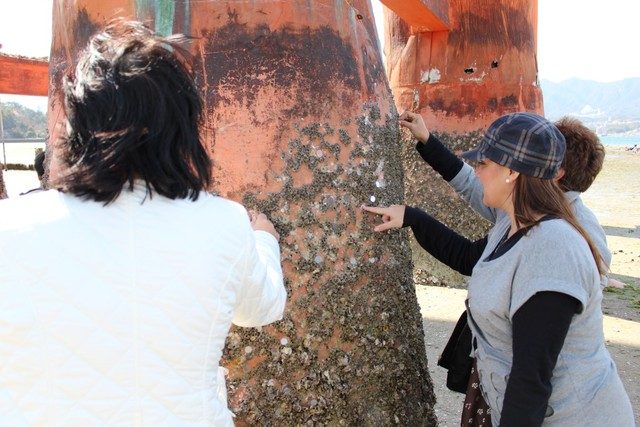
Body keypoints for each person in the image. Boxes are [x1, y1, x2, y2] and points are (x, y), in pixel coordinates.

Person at [0, 20, 286, 426]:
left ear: (76, 124)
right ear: (182, 129)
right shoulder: (225, 223)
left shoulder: (10, 226)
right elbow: (262, 309)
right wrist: (264, 240)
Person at [363, 113, 634, 426]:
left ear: (511, 172)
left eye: (483, 164)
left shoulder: (554, 247)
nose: (476, 173)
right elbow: (469, 254)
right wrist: (414, 216)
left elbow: (530, 378)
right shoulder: (515, 222)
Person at [400, 112, 616, 289]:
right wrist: (427, 139)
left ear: (556, 172)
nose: (479, 170)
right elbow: (467, 183)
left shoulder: (577, 230)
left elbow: (585, 284)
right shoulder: (519, 205)